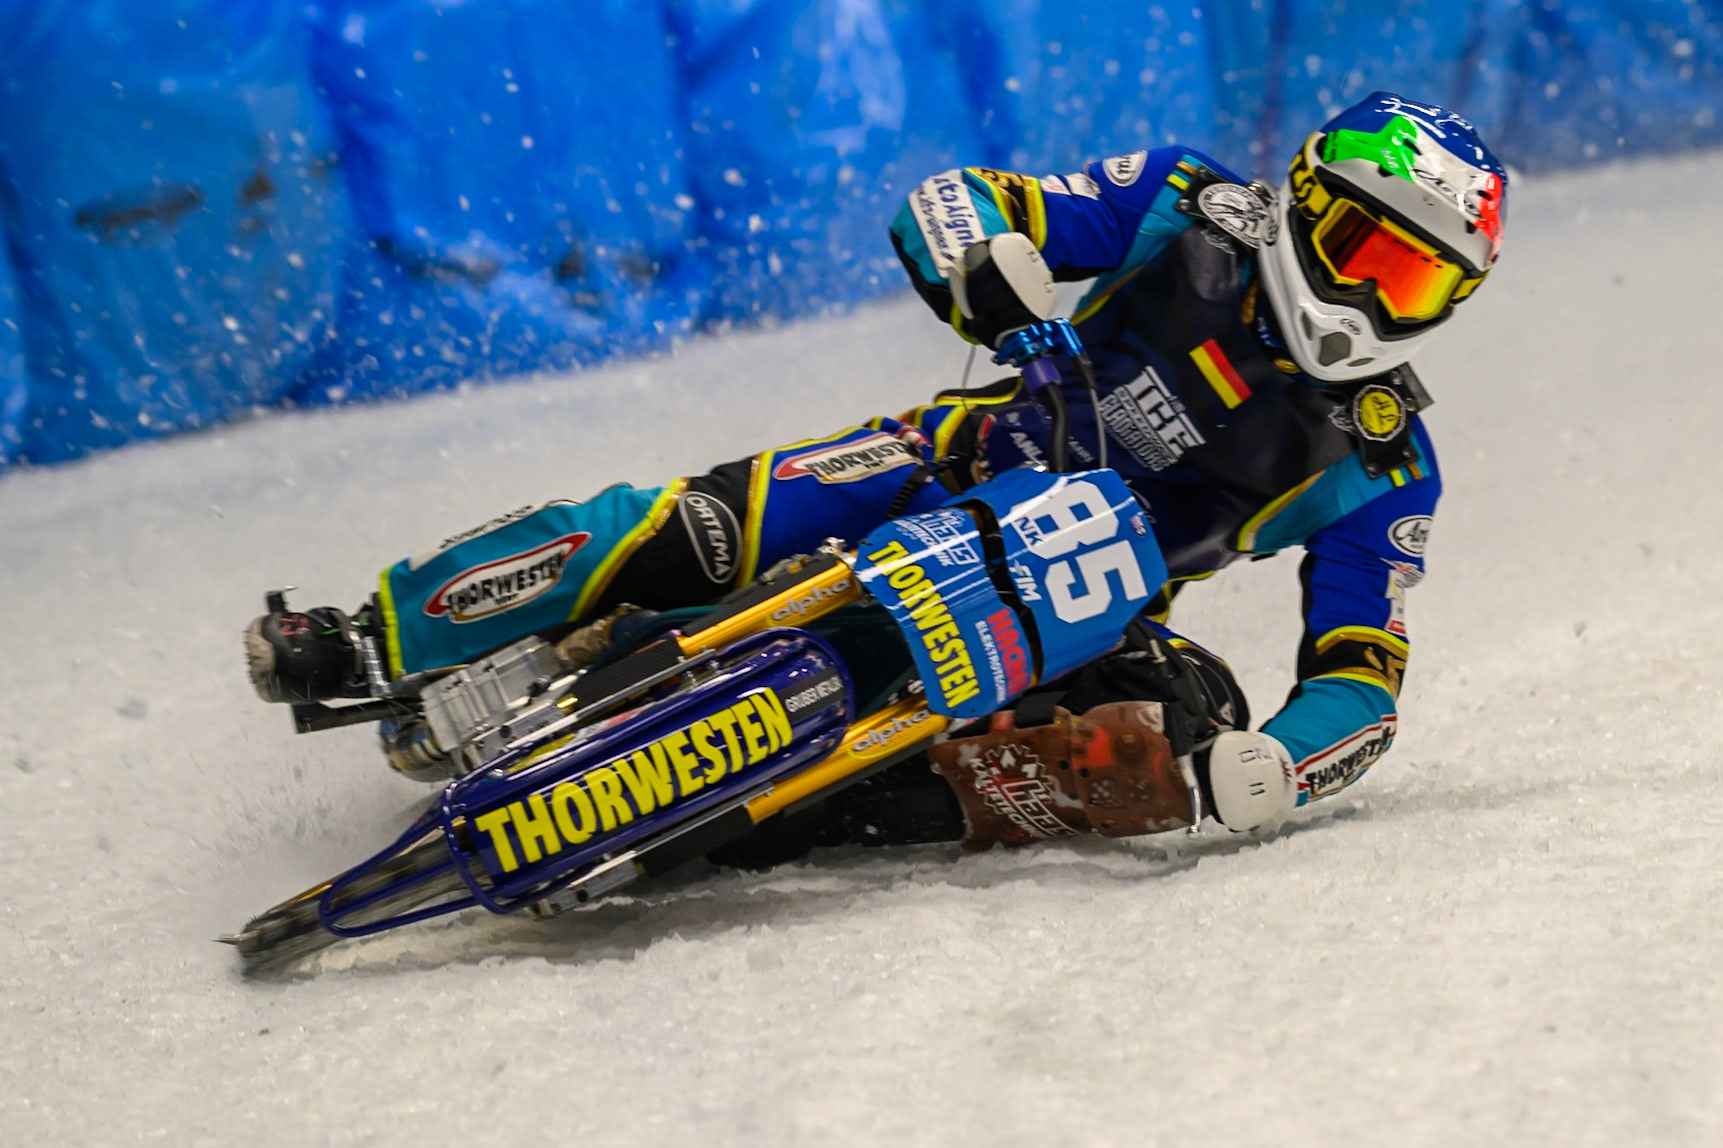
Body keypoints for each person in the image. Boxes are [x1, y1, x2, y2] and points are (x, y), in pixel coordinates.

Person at [246, 92, 1506, 858]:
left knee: (1173, 731)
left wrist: (1281, 765)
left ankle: (814, 806)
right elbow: (956, 200)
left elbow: (1362, 674)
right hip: (945, 454)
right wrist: (1002, 283)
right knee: (684, 525)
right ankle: (366, 636)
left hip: (1071, 596)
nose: (1365, 299)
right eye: (1356, 248)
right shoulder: (1184, 204)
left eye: (1413, 282)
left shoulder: (1383, 460)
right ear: (1297, 205)